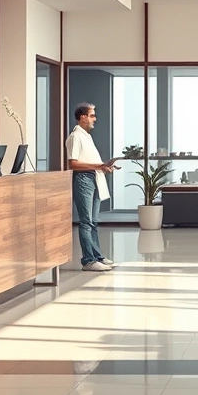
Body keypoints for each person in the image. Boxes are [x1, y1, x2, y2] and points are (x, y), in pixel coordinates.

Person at [66, 103, 119, 272]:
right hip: (84, 179)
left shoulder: (87, 136)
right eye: (92, 115)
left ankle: (97, 257)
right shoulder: (75, 136)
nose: (94, 119)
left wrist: (104, 167)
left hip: (94, 177)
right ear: (82, 117)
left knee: (93, 221)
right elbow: (72, 163)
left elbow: (89, 161)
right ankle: (88, 261)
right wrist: (98, 166)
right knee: (86, 222)